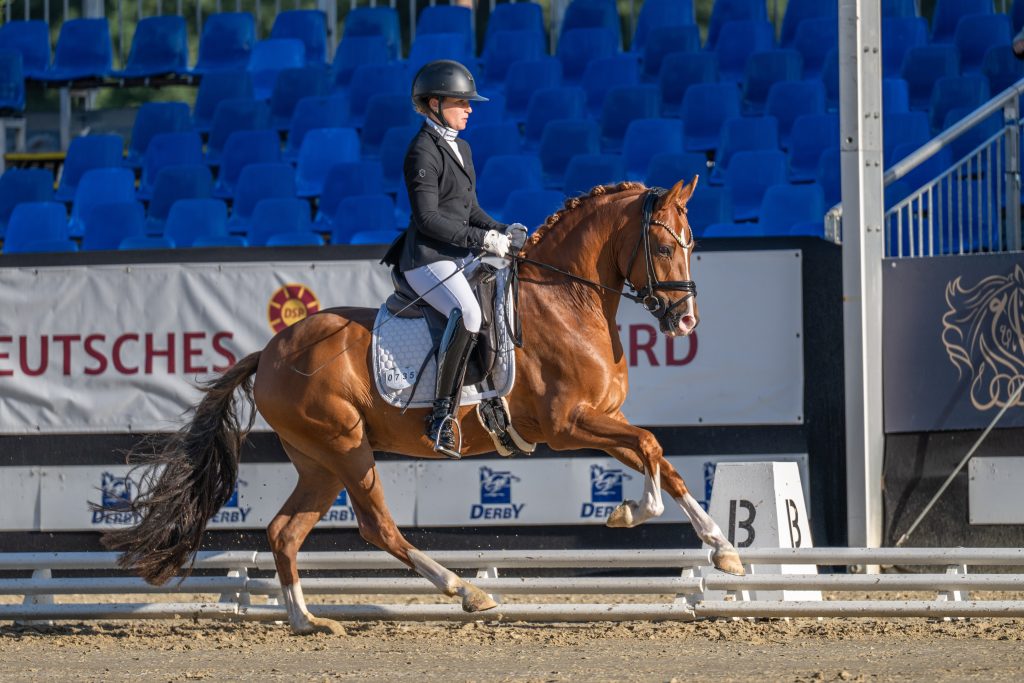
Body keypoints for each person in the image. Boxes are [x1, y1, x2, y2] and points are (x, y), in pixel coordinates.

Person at [382, 59, 526, 459]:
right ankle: (441, 418)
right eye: (461, 102)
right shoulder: (421, 152)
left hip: (456, 254)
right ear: (433, 103)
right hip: (427, 257)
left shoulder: (461, 147)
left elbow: (470, 209)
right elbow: (429, 220)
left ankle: (489, 398)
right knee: (468, 314)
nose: (469, 109)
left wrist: (501, 231)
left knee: (497, 304)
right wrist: (482, 240)